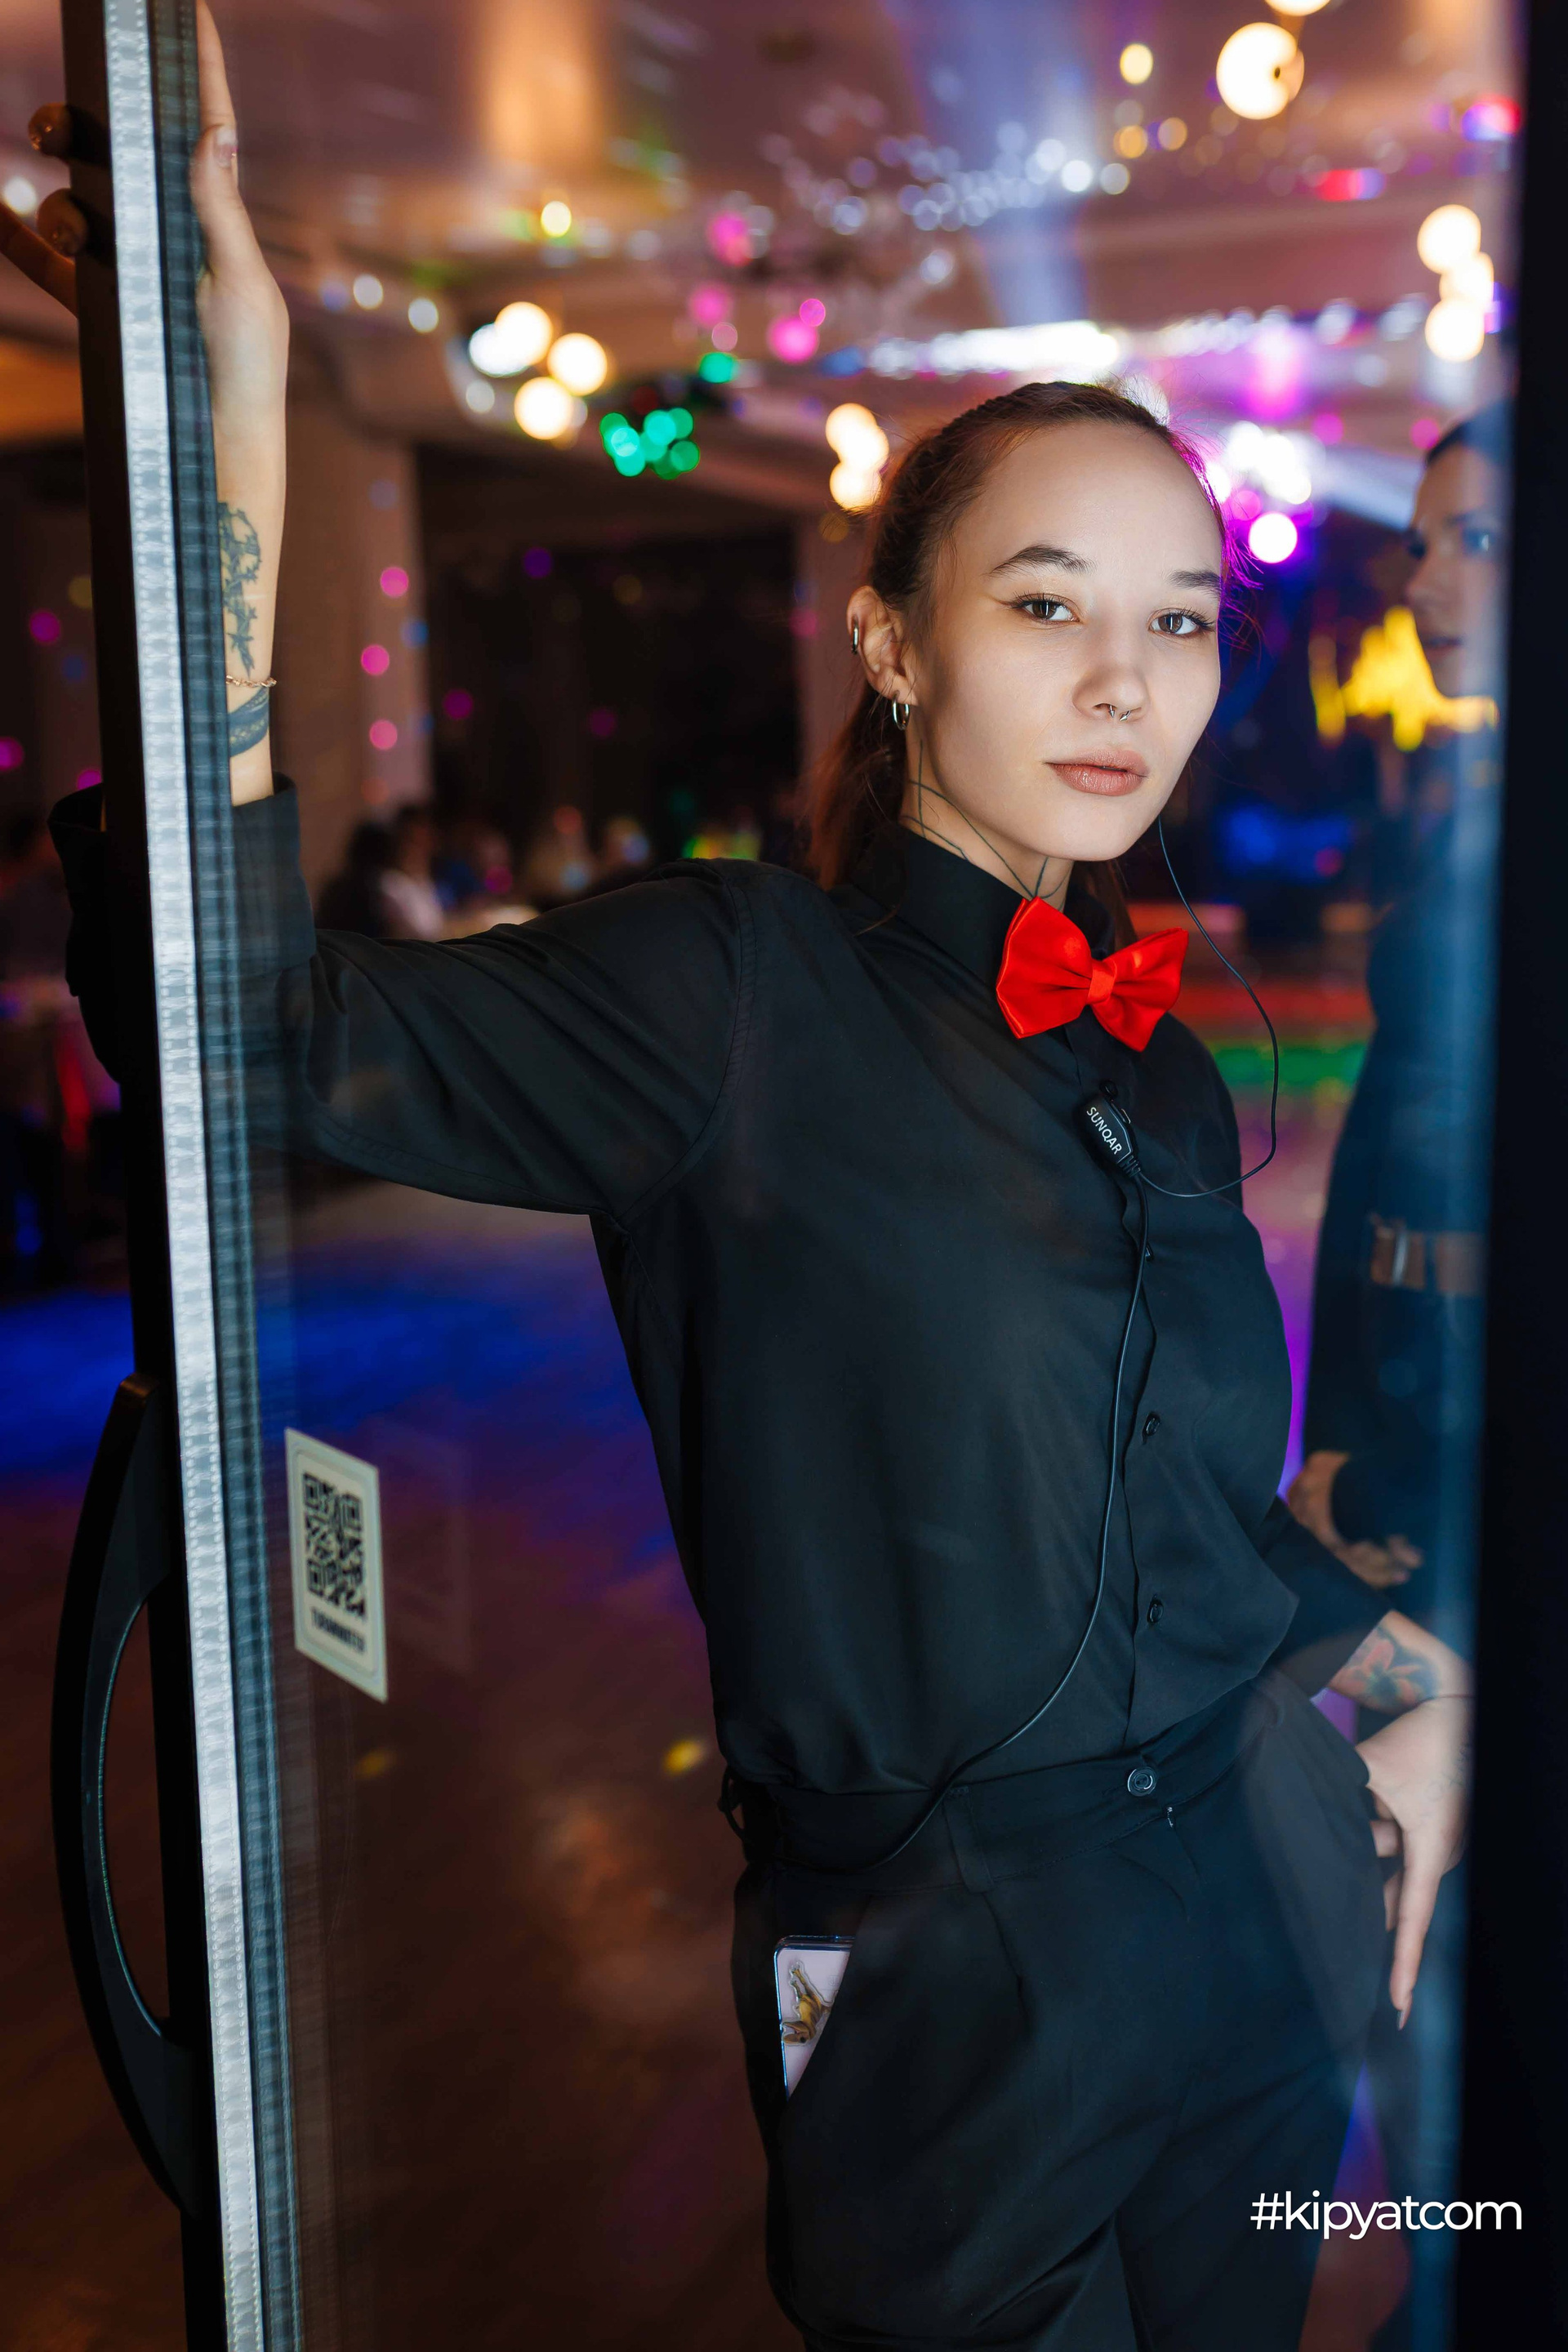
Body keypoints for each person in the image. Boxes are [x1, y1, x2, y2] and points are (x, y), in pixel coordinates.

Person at [49, 17, 1472, 2345]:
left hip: (1260, 1907)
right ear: (895, 641)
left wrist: (1427, 1680)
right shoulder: (734, 989)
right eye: (1048, 603)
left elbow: (1186, 1528)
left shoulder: (1161, 1066)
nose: (1128, 680)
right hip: (940, 1979)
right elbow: (245, 1038)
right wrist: (223, 431)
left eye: (1182, 618)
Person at [1288, 406, 1506, 2350]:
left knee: (1434, 1977)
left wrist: (1392, 1492)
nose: (1424, 575)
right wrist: (1337, 1444)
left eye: (1475, 539)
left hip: (1457, 1520)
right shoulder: (1465, 805)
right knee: (1404, 1985)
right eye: (1424, 537)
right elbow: (1392, 1183)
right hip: (1396, 1489)